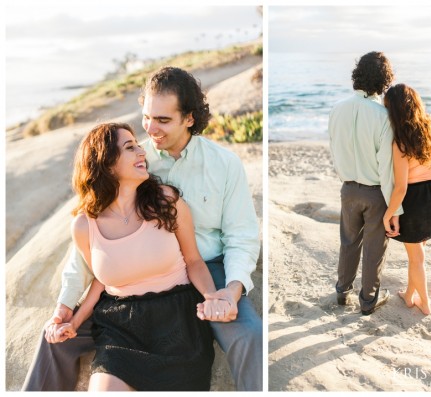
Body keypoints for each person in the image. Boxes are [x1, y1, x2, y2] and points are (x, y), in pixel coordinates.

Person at [22, 67, 262, 391]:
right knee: (56, 337)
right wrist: (65, 308)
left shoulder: (223, 164)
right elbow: (88, 249)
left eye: (162, 120)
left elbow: (241, 238)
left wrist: (229, 293)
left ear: (189, 118)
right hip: (127, 292)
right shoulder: (132, 157)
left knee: (249, 336)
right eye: (147, 117)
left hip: (206, 269)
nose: (150, 129)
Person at [45, 122, 223, 390]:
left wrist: (212, 298)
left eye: (138, 145)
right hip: (120, 327)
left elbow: (194, 261)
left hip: (177, 321)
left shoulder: (166, 201)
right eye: (130, 147)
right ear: (105, 163)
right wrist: (74, 321)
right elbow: (100, 281)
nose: (142, 152)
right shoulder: (84, 225)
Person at [328, 51, 402, 315]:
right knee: (374, 249)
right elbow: (386, 168)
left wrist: (347, 179)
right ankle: (368, 300)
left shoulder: (337, 109)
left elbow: (335, 151)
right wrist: (395, 210)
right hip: (375, 194)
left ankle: (341, 291)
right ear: (384, 81)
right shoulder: (383, 116)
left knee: (348, 242)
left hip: (348, 189)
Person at [382, 83, 431, 316]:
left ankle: (425, 304)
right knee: (417, 253)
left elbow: (400, 187)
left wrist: (388, 214)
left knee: (416, 257)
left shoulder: (400, 142)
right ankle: (410, 295)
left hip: (414, 198)